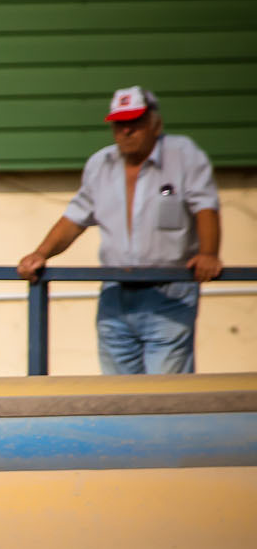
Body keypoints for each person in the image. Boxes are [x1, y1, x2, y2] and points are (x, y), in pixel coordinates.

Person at [18, 87, 223, 375]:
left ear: (155, 124)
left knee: (165, 396)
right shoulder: (100, 164)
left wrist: (208, 253)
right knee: (117, 395)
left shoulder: (183, 155)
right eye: (119, 123)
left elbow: (206, 207)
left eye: (135, 122)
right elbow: (74, 219)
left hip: (169, 290)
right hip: (115, 291)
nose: (126, 131)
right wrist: (41, 253)